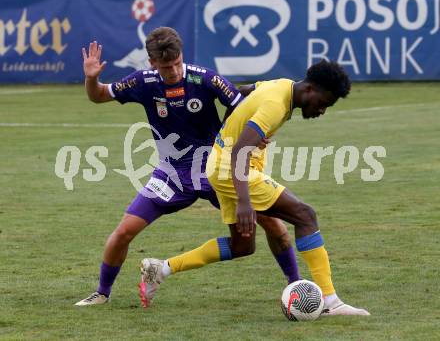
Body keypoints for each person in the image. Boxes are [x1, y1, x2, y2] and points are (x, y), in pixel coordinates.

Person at [75, 27, 300, 306]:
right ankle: (102, 293)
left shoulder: (205, 79)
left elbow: (245, 106)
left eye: (177, 63)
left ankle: (296, 288)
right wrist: (91, 78)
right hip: (171, 174)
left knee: (274, 226)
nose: (173, 70)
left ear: (182, 55)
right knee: (123, 232)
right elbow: (98, 95)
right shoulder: (143, 82)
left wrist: (257, 135)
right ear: (152, 63)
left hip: (215, 171)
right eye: (166, 66)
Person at [140, 60, 370, 316]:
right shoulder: (276, 103)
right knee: (305, 215)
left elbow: (243, 92)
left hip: (219, 164)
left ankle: (161, 269)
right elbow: (239, 151)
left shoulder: (281, 85)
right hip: (232, 169)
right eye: (324, 102)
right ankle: (331, 302)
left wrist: (233, 126)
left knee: (242, 246)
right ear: (311, 89)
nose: (322, 110)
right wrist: (245, 202)